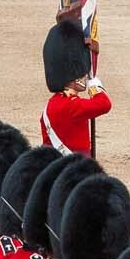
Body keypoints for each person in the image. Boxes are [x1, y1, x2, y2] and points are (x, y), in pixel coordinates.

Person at [39, 18, 108, 156]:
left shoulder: (53, 102)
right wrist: (95, 86)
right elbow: (104, 104)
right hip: (75, 170)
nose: (85, 77)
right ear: (73, 76)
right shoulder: (71, 105)